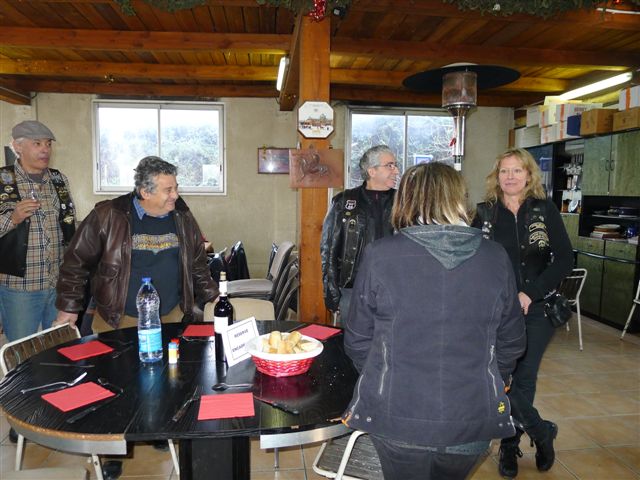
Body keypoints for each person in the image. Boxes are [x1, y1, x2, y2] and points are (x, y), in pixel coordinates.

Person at [342, 162, 526, 480]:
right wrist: (492, 377)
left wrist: (384, 377)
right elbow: (512, 340)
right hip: (471, 417)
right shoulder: (495, 257)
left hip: (397, 416)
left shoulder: (380, 255)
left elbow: (357, 339)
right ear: (459, 199)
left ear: (405, 201)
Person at [473, 148, 573, 479]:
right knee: (500, 379)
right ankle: (542, 431)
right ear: (496, 176)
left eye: (517, 170)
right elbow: (473, 258)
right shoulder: (485, 213)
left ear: (529, 175)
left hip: (539, 309)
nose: (510, 176)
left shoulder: (545, 210)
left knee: (524, 378)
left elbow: (565, 259)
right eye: (504, 171)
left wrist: (531, 293)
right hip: (497, 311)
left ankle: (509, 446)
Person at [54, 156, 217, 331]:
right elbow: (76, 263)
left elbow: (197, 265)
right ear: (145, 192)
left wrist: (214, 296)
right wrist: (68, 307)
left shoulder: (182, 216)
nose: (175, 195)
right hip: (118, 320)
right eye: (168, 190)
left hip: (171, 316)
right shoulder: (108, 216)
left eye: (176, 188)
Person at [0, 120, 76, 341]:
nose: (45, 149)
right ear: (18, 146)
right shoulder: (2, 180)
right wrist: (13, 218)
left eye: (48, 144)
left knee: (60, 348)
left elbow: (69, 224)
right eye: (37, 143)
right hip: (20, 288)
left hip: (58, 283)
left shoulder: (59, 179)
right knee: (23, 350)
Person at [320, 145, 398, 321]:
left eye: (395, 165)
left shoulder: (405, 201)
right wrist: (331, 292)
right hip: (352, 291)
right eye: (390, 165)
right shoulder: (344, 201)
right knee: (352, 337)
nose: (396, 171)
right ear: (372, 171)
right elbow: (329, 249)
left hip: (394, 290)